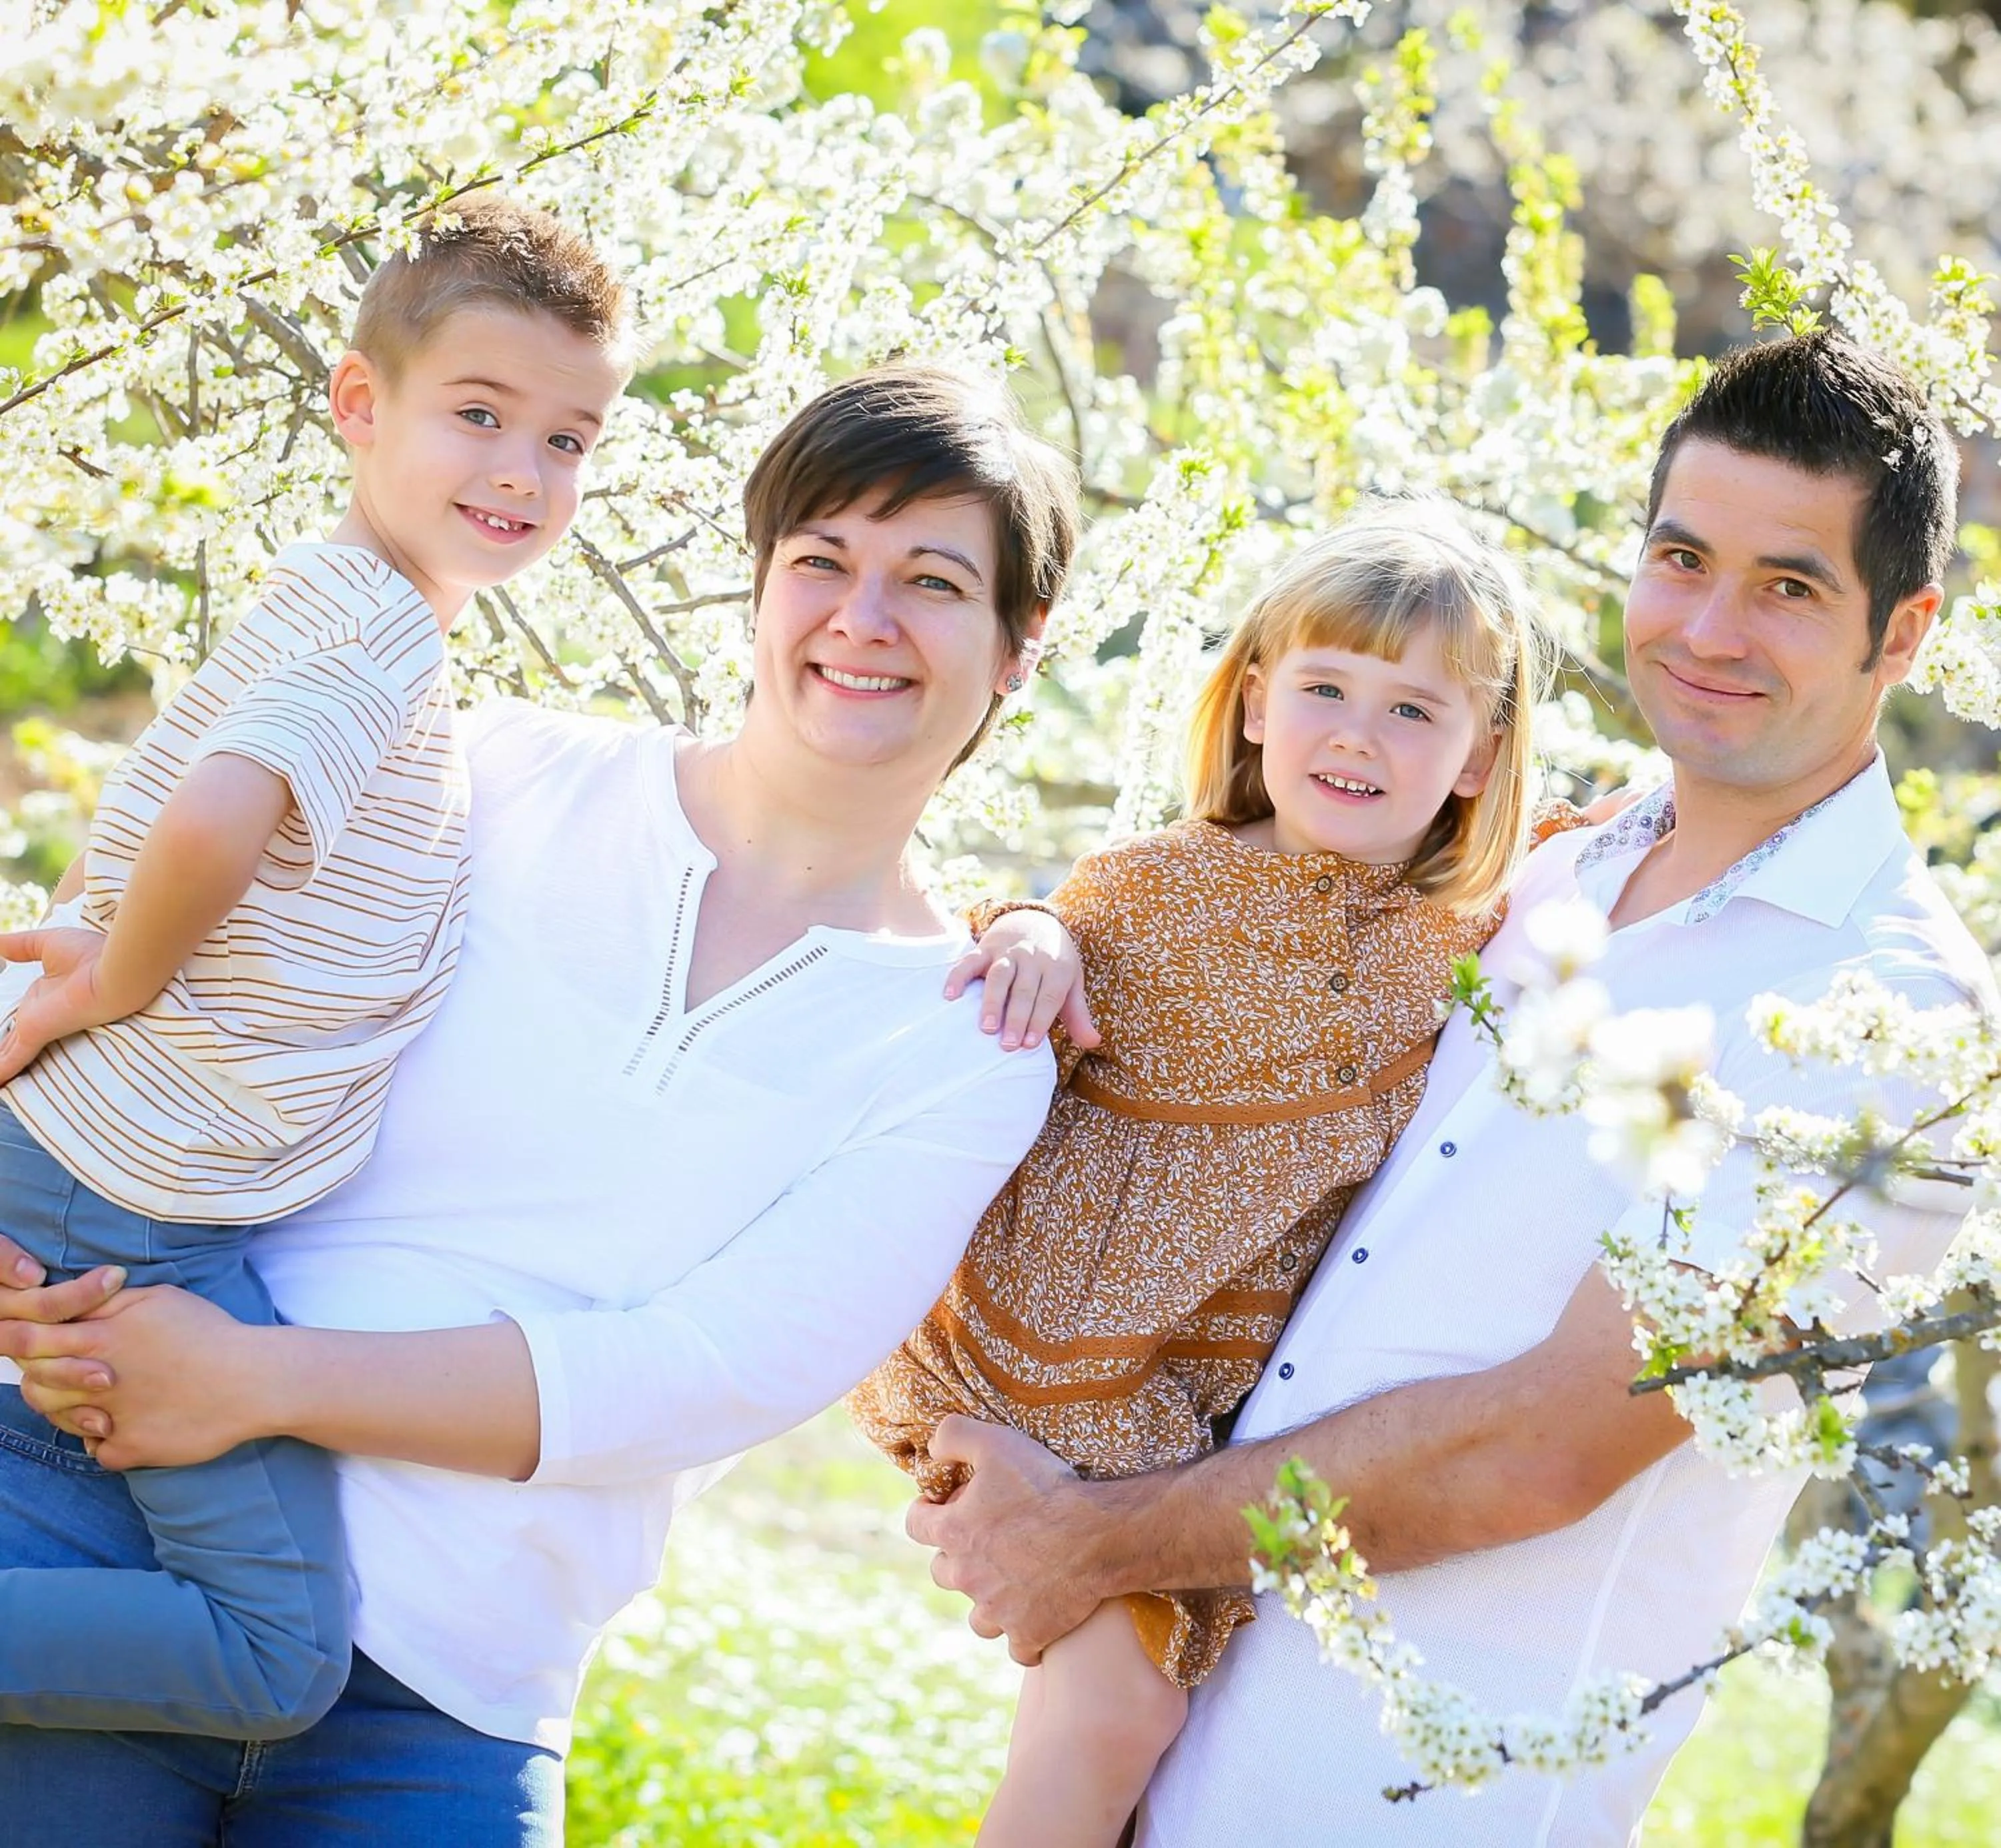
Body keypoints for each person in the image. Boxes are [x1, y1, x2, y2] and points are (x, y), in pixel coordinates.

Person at [902, 331, 1999, 1845]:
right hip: (1190, 1734)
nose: (1710, 626)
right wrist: (1031, 933)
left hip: (1424, 1800)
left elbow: (1543, 1445)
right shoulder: (1551, 868)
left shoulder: (1888, 1028)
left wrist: (1090, 1536)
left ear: (1907, 630)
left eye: (1790, 585)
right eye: (1683, 557)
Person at [0, 364, 1075, 1844]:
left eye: (933, 582)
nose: (862, 617)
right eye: (821, 559)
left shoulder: (970, 1043)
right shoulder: (493, 768)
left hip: (446, 1698)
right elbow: (124, 945)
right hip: (95, 1535)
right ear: (758, 586)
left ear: (1020, 646)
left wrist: (259, 1378)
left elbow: (698, 1371)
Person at [0, 195, 632, 1740]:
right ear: (360, 404)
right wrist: (108, 985)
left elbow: (186, 795)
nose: (520, 472)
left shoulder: (339, 595)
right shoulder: (381, 640)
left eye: (568, 440)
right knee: (273, 1657)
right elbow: (218, 813)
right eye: (478, 414)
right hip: (138, 1199)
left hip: (108, 1160)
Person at [849, 501, 1557, 1846]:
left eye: (1416, 712)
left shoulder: (1460, 938)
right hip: (1059, 1358)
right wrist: (1036, 928)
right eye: (1326, 688)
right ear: (1250, 704)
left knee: (1147, 1758)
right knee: (1114, 1718)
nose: (1358, 732)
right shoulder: (1161, 886)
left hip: (1190, 1391)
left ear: (1479, 761)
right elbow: (1032, 932)